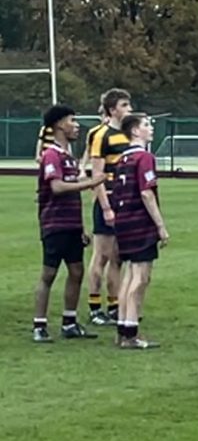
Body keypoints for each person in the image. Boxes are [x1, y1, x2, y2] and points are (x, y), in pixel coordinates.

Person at [33, 105, 106, 343]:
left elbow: (73, 195)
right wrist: (91, 183)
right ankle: (39, 325)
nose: (76, 125)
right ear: (59, 125)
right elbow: (57, 187)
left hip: (72, 224)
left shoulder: (68, 157)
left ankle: (69, 322)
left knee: (76, 271)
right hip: (54, 223)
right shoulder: (51, 155)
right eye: (72, 121)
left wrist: (82, 227)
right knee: (49, 274)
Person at [113, 114, 169, 349]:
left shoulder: (121, 159)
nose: (150, 128)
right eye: (146, 125)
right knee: (141, 277)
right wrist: (160, 226)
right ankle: (132, 334)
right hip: (140, 222)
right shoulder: (144, 158)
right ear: (135, 131)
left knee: (129, 275)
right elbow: (146, 193)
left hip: (123, 222)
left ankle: (123, 328)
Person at [87, 88, 133, 325]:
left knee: (118, 257)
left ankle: (114, 305)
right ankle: (95, 307)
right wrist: (105, 207)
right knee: (101, 256)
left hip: (124, 202)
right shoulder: (101, 135)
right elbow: (97, 175)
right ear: (112, 109)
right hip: (108, 200)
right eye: (124, 106)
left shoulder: (128, 135)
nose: (129, 110)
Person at [79, 104, 109, 174]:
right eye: (104, 114)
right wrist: (82, 169)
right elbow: (87, 150)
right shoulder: (94, 132)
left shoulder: (122, 131)